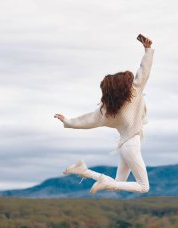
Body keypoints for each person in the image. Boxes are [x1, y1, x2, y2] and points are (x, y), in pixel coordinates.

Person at [54, 34, 154, 195]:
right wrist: (147, 50)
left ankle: (84, 171)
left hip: (124, 145)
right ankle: (103, 181)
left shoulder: (107, 110)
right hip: (131, 146)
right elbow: (144, 71)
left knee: (118, 184)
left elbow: (87, 121)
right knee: (143, 187)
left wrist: (68, 121)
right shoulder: (135, 91)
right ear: (125, 86)